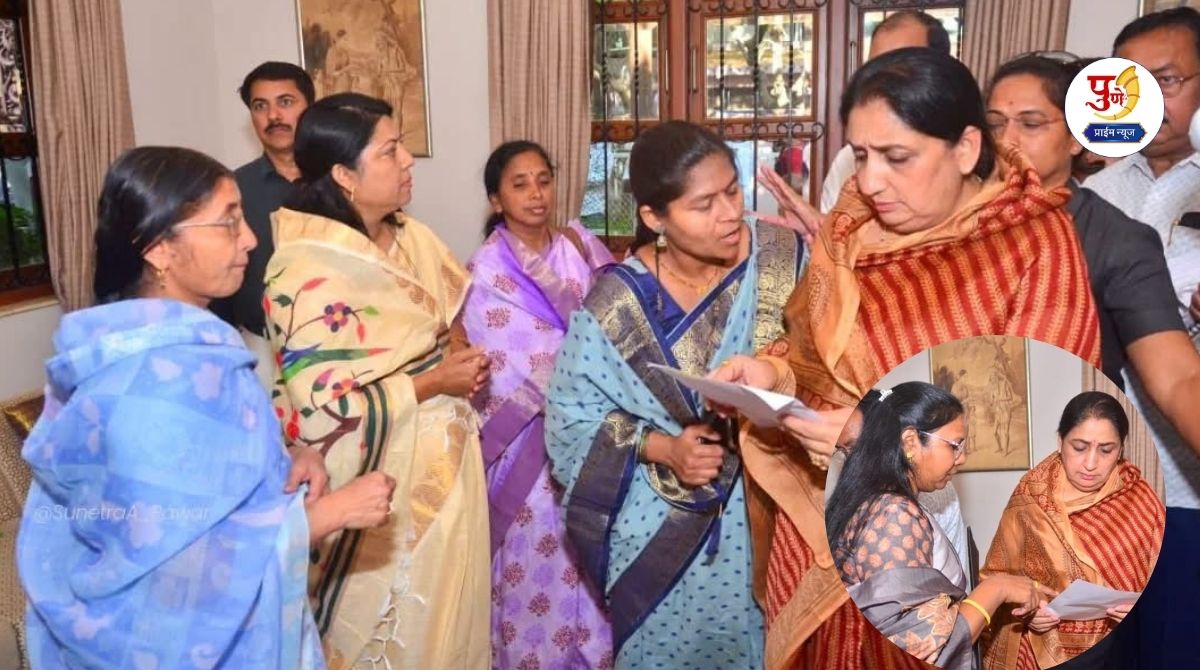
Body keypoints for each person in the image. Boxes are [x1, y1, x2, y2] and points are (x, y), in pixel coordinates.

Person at [711, 48, 1100, 669]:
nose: (869, 182)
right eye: (861, 155)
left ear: (967, 149)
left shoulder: (1034, 243)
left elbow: (1044, 417)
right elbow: (809, 357)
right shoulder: (847, 232)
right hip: (824, 529)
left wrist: (869, 436)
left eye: (897, 158)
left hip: (947, 548)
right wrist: (769, 372)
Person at [17, 146, 396, 669]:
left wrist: (284, 455)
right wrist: (325, 516)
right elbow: (169, 580)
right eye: (228, 222)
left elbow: (205, 480)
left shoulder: (188, 352)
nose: (250, 239)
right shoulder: (150, 385)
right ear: (159, 249)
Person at [545, 120, 806, 668]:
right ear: (654, 218)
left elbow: (835, 366)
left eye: (732, 190)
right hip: (656, 532)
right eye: (703, 204)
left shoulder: (785, 261)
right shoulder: (617, 303)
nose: (730, 213)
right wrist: (664, 449)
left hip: (772, 518)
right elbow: (570, 419)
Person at [264, 93, 492, 669]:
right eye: (390, 150)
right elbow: (318, 410)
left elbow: (446, 316)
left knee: (452, 611)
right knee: (396, 631)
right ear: (344, 174)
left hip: (447, 454)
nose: (408, 159)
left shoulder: (410, 235)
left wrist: (457, 355)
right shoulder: (304, 267)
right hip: (379, 479)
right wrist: (434, 382)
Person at [984, 54, 1200, 451]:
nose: (1007, 140)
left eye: (1031, 124)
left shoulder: (1116, 239)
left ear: (1075, 138)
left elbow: (1177, 378)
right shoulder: (949, 224)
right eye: (994, 124)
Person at [461, 140, 615, 668]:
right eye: (519, 184)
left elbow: (616, 327)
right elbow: (494, 366)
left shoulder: (582, 247)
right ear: (496, 200)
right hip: (522, 447)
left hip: (590, 434)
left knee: (588, 550)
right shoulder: (482, 273)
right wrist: (559, 383)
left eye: (543, 180)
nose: (536, 194)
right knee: (530, 557)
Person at [828, 382, 1054, 670]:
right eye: (955, 445)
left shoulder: (886, 501)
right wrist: (995, 590)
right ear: (910, 442)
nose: (962, 459)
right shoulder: (893, 512)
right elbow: (916, 647)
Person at [980, 392, 1165, 669]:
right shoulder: (1030, 497)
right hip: (1045, 649)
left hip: (1119, 648)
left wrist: (1140, 611)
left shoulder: (1139, 498)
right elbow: (997, 576)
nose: (1091, 464)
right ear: (1060, 442)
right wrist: (1027, 614)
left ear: (1121, 450)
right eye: (1079, 447)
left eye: (1106, 450)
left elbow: (1167, 582)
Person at [210, 62, 313, 347]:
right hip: (258, 346)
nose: (274, 116)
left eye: (286, 102)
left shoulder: (344, 180)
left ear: (310, 108)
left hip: (345, 345)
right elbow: (217, 274)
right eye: (260, 106)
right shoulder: (230, 190)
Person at [825, 389, 969, 578]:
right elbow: (905, 606)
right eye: (845, 450)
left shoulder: (934, 492)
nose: (851, 460)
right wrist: (995, 590)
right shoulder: (893, 511)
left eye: (857, 446)